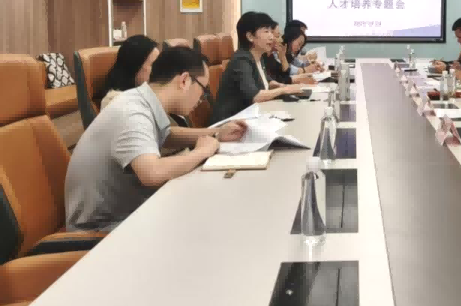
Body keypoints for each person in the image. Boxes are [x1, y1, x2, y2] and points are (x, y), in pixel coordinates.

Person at [65, 47, 248, 231]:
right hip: (103, 229)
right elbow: (152, 173)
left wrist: (216, 133)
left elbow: (166, 136)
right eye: (203, 89)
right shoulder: (132, 112)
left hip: (131, 212)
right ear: (184, 80)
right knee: (210, 221)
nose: (202, 98)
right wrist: (202, 152)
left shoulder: (139, 99)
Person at [211, 12, 304, 123]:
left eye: (271, 31)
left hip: (249, 117)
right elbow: (255, 96)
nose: (272, 37)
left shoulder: (258, 56)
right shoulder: (241, 60)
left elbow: (266, 81)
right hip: (229, 124)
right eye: (266, 31)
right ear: (250, 36)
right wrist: (283, 90)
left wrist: (283, 86)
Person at [98, 35, 159, 109]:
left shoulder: (146, 93)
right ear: (135, 67)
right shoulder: (114, 100)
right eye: (154, 65)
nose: (159, 70)